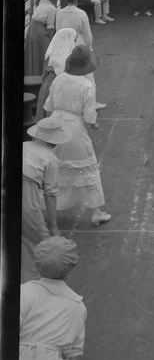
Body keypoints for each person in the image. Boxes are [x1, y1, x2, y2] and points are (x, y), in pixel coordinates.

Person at [44, 45, 111, 226]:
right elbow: (89, 116)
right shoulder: (86, 85)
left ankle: (50, 211)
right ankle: (96, 212)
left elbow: (48, 106)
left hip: (54, 126)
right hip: (74, 128)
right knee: (88, 167)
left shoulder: (58, 80)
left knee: (54, 168)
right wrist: (94, 124)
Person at [19, 236, 86, 360]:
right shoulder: (77, 306)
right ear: (71, 267)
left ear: (37, 265)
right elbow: (72, 356)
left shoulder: (23, 292)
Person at [21, 117, 71, 282]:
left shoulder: (24, 145)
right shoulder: (51, 159)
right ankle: (38, 280)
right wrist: (53, 227)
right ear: (55, 141)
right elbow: (50, 195)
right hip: (26, 194)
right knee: (41, 239)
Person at [35, 28, 78, 122]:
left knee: (47, 117)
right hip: (63, 87)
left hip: (48, 84)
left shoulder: (50, 53)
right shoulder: (71, 57)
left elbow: (44, 73)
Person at [24, 0, 59, 76]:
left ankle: (31, 74)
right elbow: (50, 27)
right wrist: (52, 42)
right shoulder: (52, 9)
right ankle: (41, 74)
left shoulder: (41, 5)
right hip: (40, 30)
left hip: (31, 28)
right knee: (44, 51)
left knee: (32, 52)